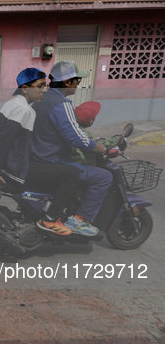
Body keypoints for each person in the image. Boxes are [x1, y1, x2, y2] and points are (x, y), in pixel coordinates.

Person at [0, 67, 80, 236]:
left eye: (45, 85)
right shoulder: (25, 110)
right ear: (25, 88)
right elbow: (3, 142)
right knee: (71, 173)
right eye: (40, 85)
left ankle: (29, 209)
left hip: (9, 166)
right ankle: (50, 218)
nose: (44, 89)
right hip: (15, 169)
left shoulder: (11, 104)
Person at [31, 61, 119, 236]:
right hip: (55, 161)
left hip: (40, 157)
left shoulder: (42, 100)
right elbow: (78, 139)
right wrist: (104, 149)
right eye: (76, 79)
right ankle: (78, 220)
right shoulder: (62, 104)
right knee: (103, 176)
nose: (78, 83)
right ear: (66, 82)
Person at [72, 101, 122, 166]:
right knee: (106, 175)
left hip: (71, 162)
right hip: (83, 165)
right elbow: (95, 145)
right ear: (90, 122)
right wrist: (116, 140)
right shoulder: (83, 133)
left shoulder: (70, 128)